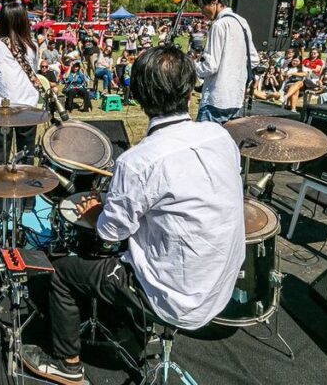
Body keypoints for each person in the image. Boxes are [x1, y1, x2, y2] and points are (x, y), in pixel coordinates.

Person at [20, 45, 244, 385]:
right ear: (189, 90)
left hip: (176, 297)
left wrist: (96, 211)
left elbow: (111, 234)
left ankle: (67, 365)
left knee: (59, 270)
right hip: (220, 287)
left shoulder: (139, 161)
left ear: (137, 95)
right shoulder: (220, 136)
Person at [0, 3, 40, 242]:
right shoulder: (33, 46)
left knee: (2, 158)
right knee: (26, 158)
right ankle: (27, 202)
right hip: (28, 107)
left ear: (2, 22)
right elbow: (33, 72)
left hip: (4, 109)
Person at [193, 0, 260, 123]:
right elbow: (254, 59)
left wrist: (191, 66)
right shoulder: (242, 22)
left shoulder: (219, 25)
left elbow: (211, 66)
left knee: (203, 144)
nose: (202, 11)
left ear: (215, 0)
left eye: (203, 5)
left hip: (216, 100)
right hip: (236, 99)